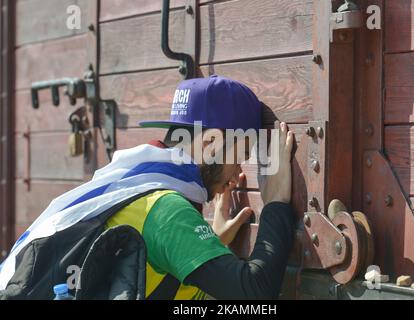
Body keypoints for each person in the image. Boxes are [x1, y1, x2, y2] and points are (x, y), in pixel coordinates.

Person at [105, 75, 297, 299]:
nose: (237, 176)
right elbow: (254, 295)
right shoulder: (167, 211)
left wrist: (211, 245)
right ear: (211, 143)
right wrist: (275, 205)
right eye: (239, 158)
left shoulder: (132, 185)